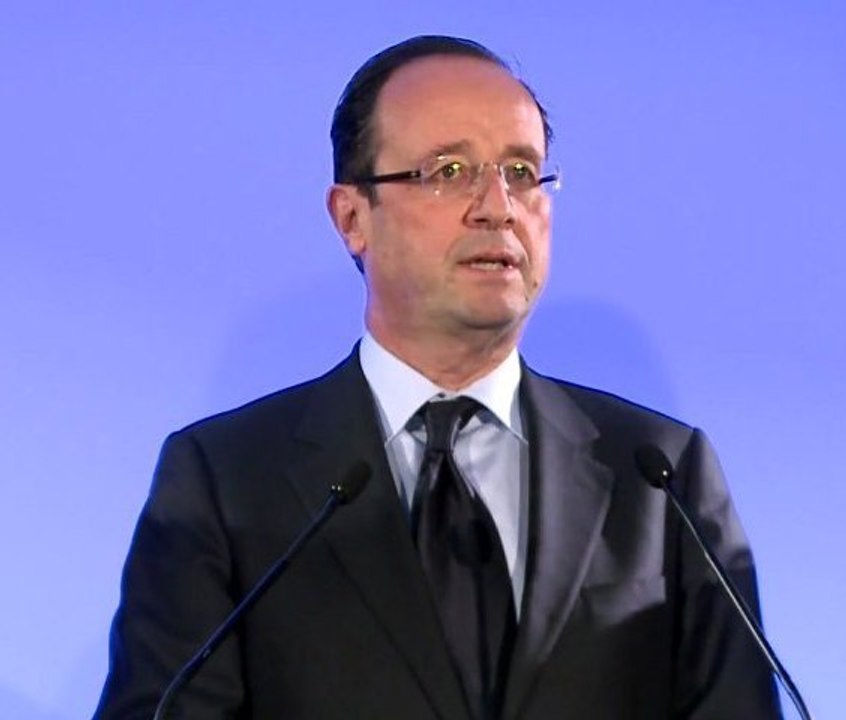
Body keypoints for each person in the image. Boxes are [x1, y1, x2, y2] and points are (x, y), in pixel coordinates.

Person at [94, 35, 782, 720]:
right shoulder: (224, 479)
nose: (497, 206)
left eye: (521, 171)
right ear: (353, 217)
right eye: (448, 171)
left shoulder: (659, 474)